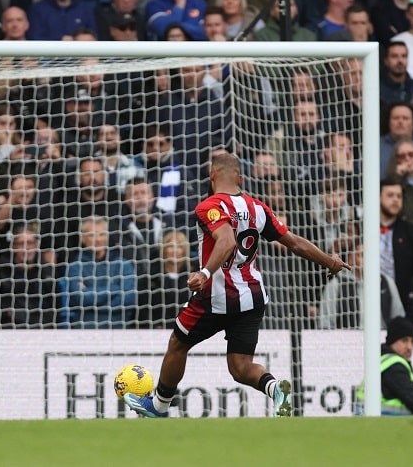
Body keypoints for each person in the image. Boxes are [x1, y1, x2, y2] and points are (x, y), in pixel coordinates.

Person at [123, 152, 350, 418]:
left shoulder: (209, 206)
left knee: (178, 343)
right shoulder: (258, 208)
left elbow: (227, 241)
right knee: (240, 366)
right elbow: (295, 242)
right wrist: (329, 261)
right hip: (252, 297)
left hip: (215, 297)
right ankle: (275, 388)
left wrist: (205, 273)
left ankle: (159, 407)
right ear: (240, 178)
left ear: (212, 176)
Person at [64, 215, 137, 329]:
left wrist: (90, 296)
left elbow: (128, 299)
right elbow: (79, 299)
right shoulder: (75, 266)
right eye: (92, 235)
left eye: (101, 234)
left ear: (107, 236)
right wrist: (115, 288)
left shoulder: (124, 264)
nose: (97, 239)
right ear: (82, 238)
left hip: (118, 329)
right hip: (84, 329)